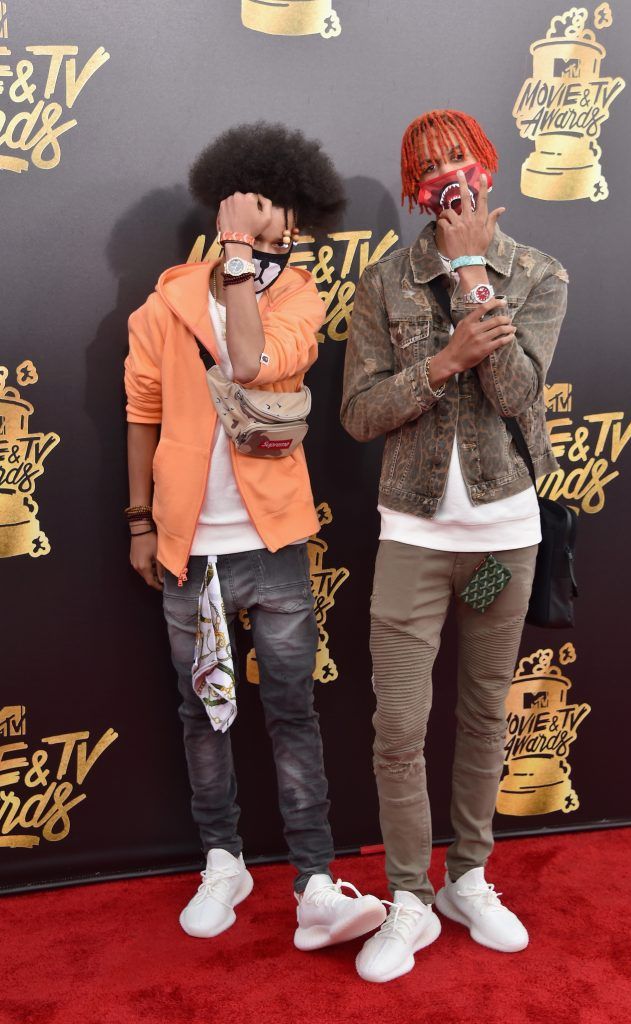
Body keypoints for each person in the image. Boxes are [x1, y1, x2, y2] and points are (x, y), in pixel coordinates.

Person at [124, 122, 385, 947]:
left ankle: (313, 883)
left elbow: (248, 361)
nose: (276, 222)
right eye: (261, 204)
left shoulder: (298, 297)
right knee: (204, 715)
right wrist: (139, 521)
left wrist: (240, 263)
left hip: (273, 546)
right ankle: (223, 860)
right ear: (229, 198)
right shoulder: (162, 304)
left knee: (293, 712)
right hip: (186, 551)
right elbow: (142, 414)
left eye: (288, 214)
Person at [341, 109, 568, 983]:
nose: (448, 173)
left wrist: (475, 271)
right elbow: (359, 416)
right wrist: (438, 366)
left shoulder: (539, 275)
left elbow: (515, 391)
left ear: (487, 168)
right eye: (429, 164)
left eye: (460, 158)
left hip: (502, 546)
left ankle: (467, 878)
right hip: (414, 540)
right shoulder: (384, 282)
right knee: (399, 723)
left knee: (481, 712)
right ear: (413, 188)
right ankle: (408, 893)